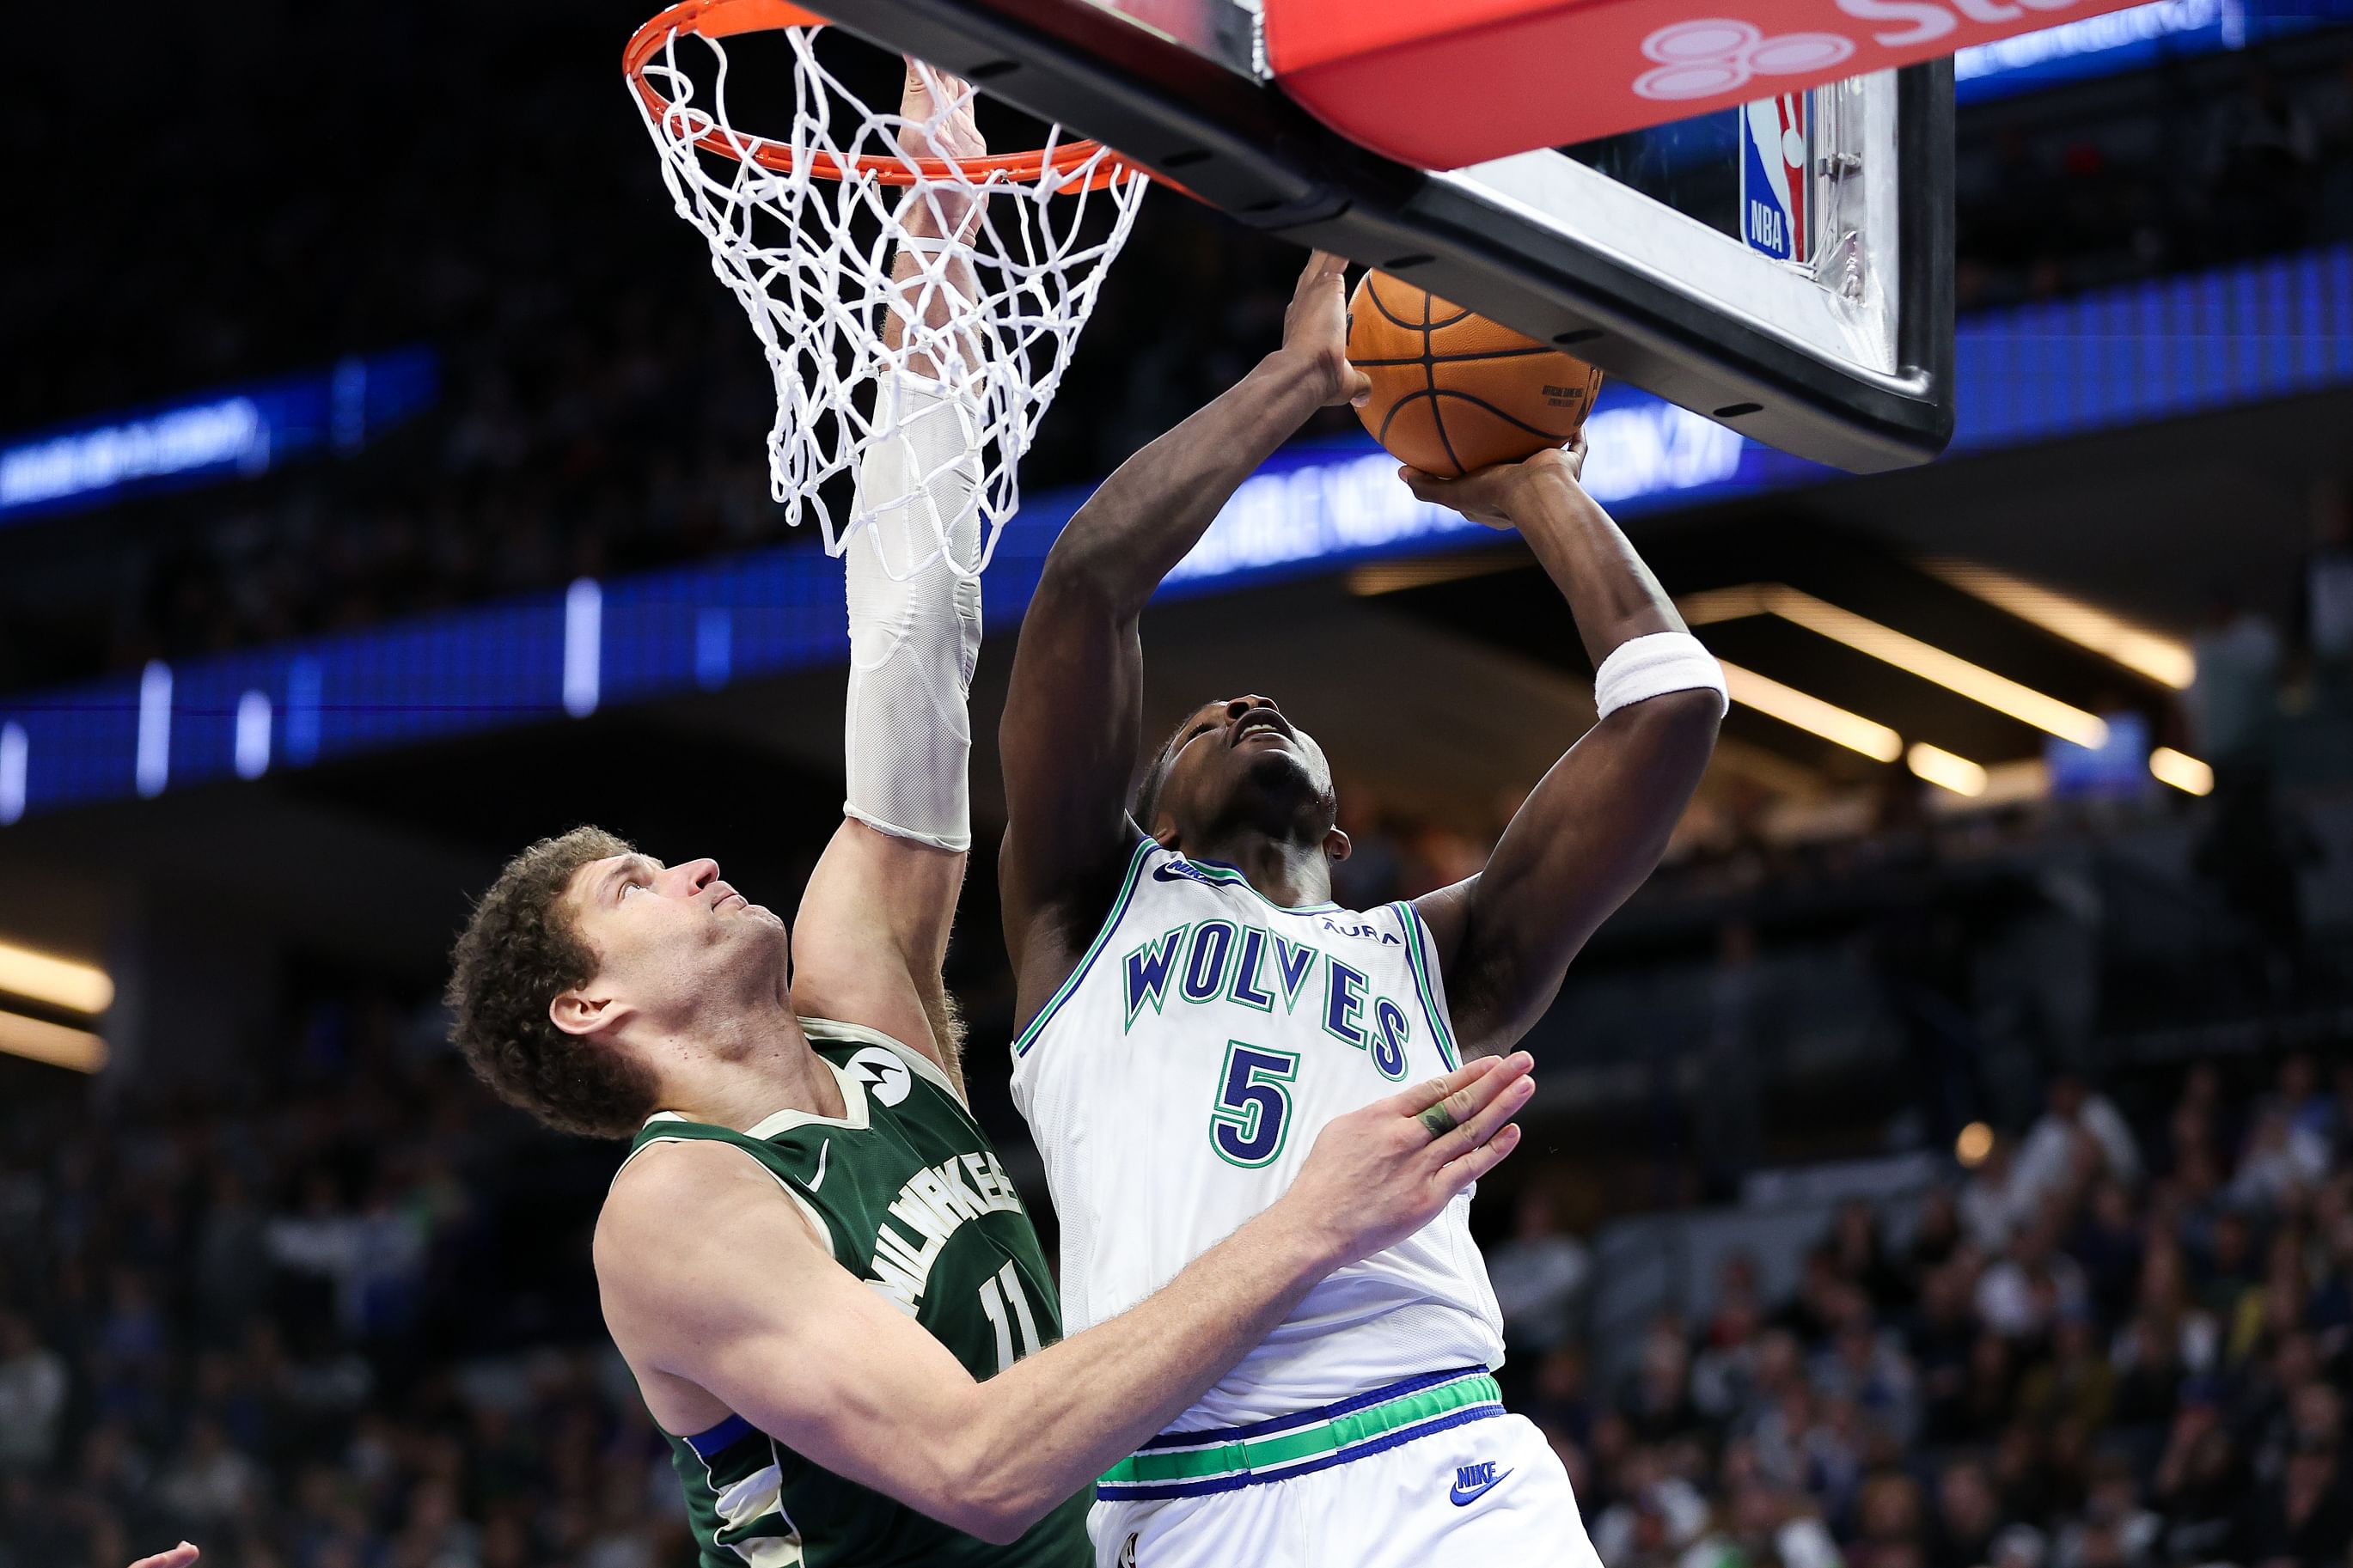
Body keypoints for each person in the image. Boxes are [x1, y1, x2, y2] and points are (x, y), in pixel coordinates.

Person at [437, 81, 1536, 1568]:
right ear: (591, 1001)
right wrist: (1310, 1219)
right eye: (637, 882)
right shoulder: (678, 1205)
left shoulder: (863, 1012)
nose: (696, 862)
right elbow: (977, 1461)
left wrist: (939, 186)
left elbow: (914, 621)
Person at [996, 249, 1723, 1564]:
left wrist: (1537, 483)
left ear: (1340, 829)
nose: (1240, 704)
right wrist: (1293, 383)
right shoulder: (1084, 909)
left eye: (1271, 713)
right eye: (1203, 721)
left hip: (1431, 1456)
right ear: (1148, 815)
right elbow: (1088, 582)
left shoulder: (1430, 956)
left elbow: (1671, 708)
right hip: (1182, 1496)